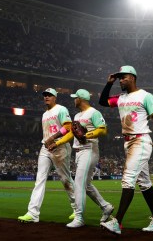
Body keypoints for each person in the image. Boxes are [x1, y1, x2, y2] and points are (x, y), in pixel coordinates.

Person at [98, 65, 153, 234]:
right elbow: (102, 101)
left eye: (124, 77)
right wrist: (109, 83)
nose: (121, 80)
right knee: (144, 183)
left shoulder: (146, 96)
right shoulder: (120, 98)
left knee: (128, 179)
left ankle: (117, 223)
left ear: (133, 78)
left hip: (141, 141)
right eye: (119, 77)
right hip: (128, 143)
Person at [47, 89, 114, 228]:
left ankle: (79, 217)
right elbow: (71, 134)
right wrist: (57, 143)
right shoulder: (77, 115)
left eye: (75, 98)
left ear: (81, 99)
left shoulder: (94, 112)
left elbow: (103, 129)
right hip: (79, 151)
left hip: (89, 150)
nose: (74, 100)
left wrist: (86, 136)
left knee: (78, 183)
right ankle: (105, 206)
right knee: (86, 185)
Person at [18, 88, 77, 223]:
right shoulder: (45, 114)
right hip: (46, 148)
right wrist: (48, 140)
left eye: (49, 95)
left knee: (65, 179)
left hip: (60, 147)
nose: (46, 97)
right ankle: (33, 213)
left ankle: (77, 208)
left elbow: (68, 127)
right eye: (45, 95)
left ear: (55, 97)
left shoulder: (61, 109)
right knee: (39, 179)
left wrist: (53, 138)